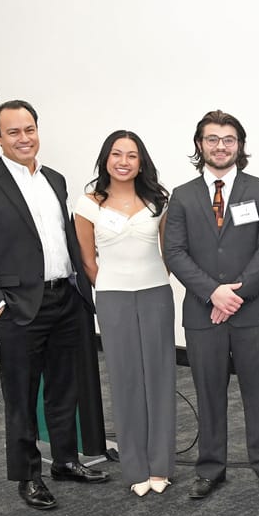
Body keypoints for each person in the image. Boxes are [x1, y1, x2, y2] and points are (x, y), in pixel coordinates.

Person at [0, 99, 110, 510]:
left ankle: (64, 461)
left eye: (29, 129)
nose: (24, 138)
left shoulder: (55, 180)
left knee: (64, 389)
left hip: (66, 300)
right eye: (13, 132)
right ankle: (28, 476)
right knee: (22, 397)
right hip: (19, 307)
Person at [163, 110, 259, 499]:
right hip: (202, 312)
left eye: (229, 139)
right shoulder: (182, 195)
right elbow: (175, 252)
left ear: (240, 145)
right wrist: (212, 293)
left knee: (258, 391)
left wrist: (236, 294)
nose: (220, 146)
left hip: (251, 312)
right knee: (208, 391)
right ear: (200, 145)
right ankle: (211, 468)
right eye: (212, 139)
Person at [74, 130, 176, 497]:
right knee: (125, 379)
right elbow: (88, 261)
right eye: (116, 154)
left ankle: (161, 465)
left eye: (132, 155)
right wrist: (112, 288)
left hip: (156, 295)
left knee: (161, 379)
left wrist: (149, 281)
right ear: (105, 158)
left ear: (141, 161)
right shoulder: (87, 205)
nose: (123, 161)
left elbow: (169, 254)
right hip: (113, 297)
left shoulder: (159, 201)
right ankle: (135, 467)